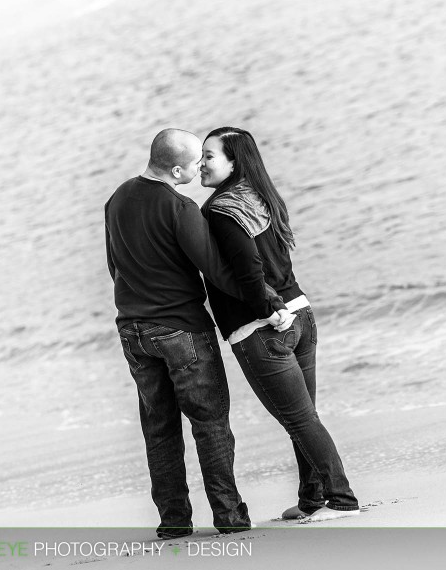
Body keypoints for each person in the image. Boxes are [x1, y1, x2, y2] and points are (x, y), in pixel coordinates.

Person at [104, 128, 292, 539]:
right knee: (210, 423)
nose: (200, 168)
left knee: (159, 428)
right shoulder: (180, 207)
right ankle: (229, 517)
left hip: (133, 331)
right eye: (194, 163)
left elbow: (113, 267)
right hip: (182, 330)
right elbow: (218, 270)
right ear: (176, 168)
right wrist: (268, 298)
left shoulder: (116, 198)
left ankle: (173, 521)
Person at [198, 126, 360, 522]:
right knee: (305, 418)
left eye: (209, 156)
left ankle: (341, 500)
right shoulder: (263, 197)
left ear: (234, 162)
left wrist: (265, 309)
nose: (200, 164)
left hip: (264, 326)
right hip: (301, 312)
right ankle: (312, 498)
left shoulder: (219, 210)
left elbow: (249, 269)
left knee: (300, 419)